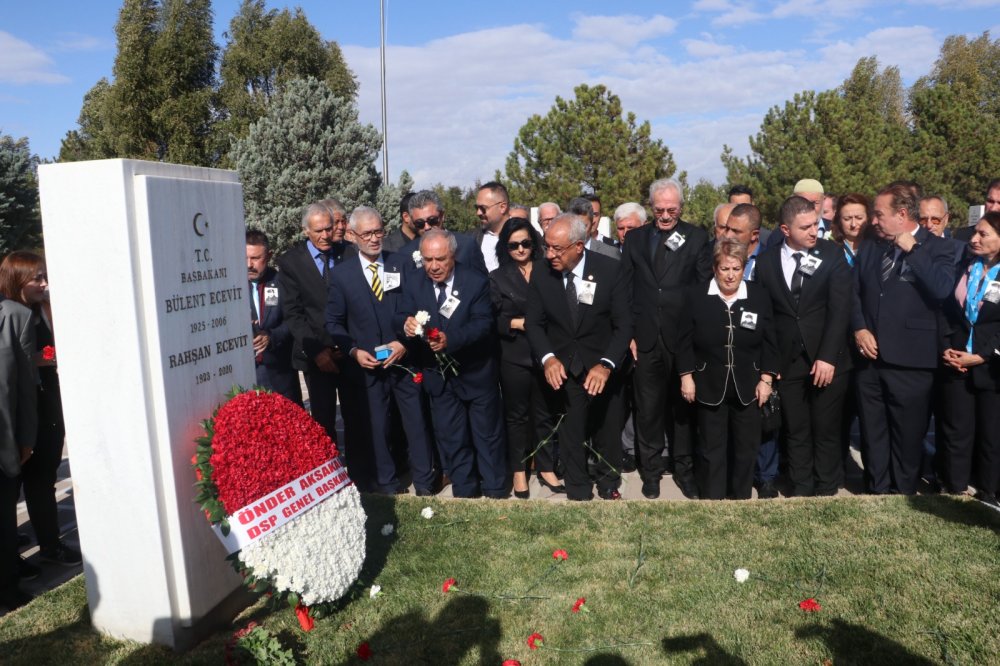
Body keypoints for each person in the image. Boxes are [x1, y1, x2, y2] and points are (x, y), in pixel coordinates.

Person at [852, 183, 956, 495]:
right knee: (873, 431)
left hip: (911, 361)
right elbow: (854, 291)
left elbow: (941, 290)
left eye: (879, 214)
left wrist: (913, 249)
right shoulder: (872, 245)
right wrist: (859, 327)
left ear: (901, 214)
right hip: (870, 359)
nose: (873, 220)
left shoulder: (939, 248)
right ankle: (877, 489)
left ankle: (903, 492)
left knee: (907, 435)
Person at [326, 207, 437, 496]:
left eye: (379, 231)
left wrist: (404, 343)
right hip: (367, 367)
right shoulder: (341, 276)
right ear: (352, 235)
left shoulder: (402, 265)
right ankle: (388, 486)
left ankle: (426, 482)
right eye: (368, 233)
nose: (375, 239)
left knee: (416, 424)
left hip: (404, 361)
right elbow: (334, 322)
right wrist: (352, 351)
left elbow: (419, 308)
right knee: (377, 428)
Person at [525, 214, 632, 501]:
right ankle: (578, 489)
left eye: (557, 249)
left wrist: (607, 364)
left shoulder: (610, 270)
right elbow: (533, 323)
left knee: (608, 428)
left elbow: (624, 325)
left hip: (603, 365)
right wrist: (548, 358)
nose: (550, 254)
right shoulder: (541, 273)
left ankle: (609, 483)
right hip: (564, 366)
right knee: (572, 430)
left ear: (579, 247)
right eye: (547, 247)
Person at [396, 229, 507, 498]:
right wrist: (406, 325)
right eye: (427, 260)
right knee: (452, 438)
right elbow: (399, 314)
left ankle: (495, 491)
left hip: (475, 372)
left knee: (487, 437)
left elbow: (483, 324)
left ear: (453, 256)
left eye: (440, 259)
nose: (433, 267)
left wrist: (451, 340)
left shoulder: (475, 282)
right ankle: (465, 492)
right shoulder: (413, 282)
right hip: (439, 377)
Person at [619, 178, 711, 499]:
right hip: (644, 338)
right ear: (651, 208)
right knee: (647, 409)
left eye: (672, 209)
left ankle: (684, 469)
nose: (666, 215)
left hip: (683, 338)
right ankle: (651, 471)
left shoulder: (697, 238)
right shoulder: (635, 239)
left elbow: (702, 290)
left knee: (683, 410)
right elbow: (625, 290)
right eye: (659, 210)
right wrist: (629, 333)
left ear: (681, 207)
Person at [754, 197, 852, 497]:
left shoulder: (832, 254)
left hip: (827, 358)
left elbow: (840, 310)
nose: (814, 232)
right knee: (796, 430)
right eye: (806, 226)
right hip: (788, 361)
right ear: (785, 229)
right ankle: (801, 488)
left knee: (825, 429)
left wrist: (827, 357)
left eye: (817, 225)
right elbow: (766, 319)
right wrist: (771, 366)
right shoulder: (767, 261)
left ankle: (825, 489)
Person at [677, 239, 779, 500]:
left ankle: (740, 499)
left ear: (744, 268)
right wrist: (686, 376)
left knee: (746, 448)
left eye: (736, 268)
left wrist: (766, 379)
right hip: (709, 383)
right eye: (725, 269)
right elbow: (683, 340)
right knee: (712, 448)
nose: (731, 275)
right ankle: (713, 501)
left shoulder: (758, 295)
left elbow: (770, 340)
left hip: (748, 385)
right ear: (715, 268)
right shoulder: (696, 295)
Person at [0, 252, 82, 568]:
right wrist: (46, 358)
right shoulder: (13, 316)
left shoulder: (38, 311)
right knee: (21, 485)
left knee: (39, 480)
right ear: (18, 279)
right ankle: (39, 548)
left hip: (46, 408)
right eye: (37, 278)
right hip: (23, 415)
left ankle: (43, 543)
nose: (44, 283)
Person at [490, 218, 563, 498]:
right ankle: (519, 471)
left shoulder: (548, 270)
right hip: (514, 355)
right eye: (513, 245)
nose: (520, 249)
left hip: (546, 355)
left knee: (545, 414)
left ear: (534, 244)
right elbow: (493, 319)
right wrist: (519, 323)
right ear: (505, 247)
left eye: (526, 243)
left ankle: (546, 467)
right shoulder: (497, 277)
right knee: (517, 417)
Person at [277, 201, 353, 443]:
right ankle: (330, 472)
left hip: (349, 352)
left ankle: (363, 474)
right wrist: (318, 352)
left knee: (357, 416)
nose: (325, 236)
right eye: (318, 231)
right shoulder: (291, 262)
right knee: (323, 419)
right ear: (305, 231)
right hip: (316, 356)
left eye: (328, 229)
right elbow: (293, 313)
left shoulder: (348, 253)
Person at [937, 212, 1000, 505]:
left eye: (983, 234)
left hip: (992, 366)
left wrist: (983, 356)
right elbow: (950, 311)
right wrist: (948, 346)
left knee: (991, 433)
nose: (974, 239)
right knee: (957, 428)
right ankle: (955, 485)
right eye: (975, 232)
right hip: (958, 359)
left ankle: (989, 490)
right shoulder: (966, 266)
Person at [0, 288, 37, 611]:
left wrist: (27, 436)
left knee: (4, 520)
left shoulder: (15, 316)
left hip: (4, 441)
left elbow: (26, 385)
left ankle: (8, 588)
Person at [246, 230, 302, 405]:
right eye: (245, 257)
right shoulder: (230, 286)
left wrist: (271, 337)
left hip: (279, 374)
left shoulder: (282, 282)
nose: (249, 264)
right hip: (246, 375)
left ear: (269, 256)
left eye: (255, 258)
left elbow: (294, 320)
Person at [398, 190, 488, 276]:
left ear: (442, 216)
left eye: (432, 220)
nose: (427, 227)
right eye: (419, 223)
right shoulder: (405, 254)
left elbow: (482, 283)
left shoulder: (466, 246)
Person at [474, 181, 512, 272]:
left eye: (483, 208)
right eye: (476, 208)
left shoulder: (527, 234)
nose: (478, 213)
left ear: (502, 207)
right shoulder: (473, 238)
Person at [831, 193, 872, 267]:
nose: (853, 224)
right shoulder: (830, 247)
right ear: (839, 220)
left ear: (868, 218)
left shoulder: (877, 247)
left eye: (859, 218)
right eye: (847, 219)